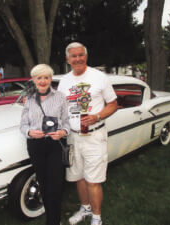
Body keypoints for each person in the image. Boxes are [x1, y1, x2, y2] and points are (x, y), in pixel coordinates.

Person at [57, 42, 117, 225]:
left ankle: (97, 218)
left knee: (93, 179)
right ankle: (85, 208)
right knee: (79, 177)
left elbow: (113, 104)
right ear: (68, 59)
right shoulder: (64, 80)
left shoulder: (99, 77)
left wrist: (97, 116)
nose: (78, 59)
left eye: (80, 55)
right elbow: (60, 107)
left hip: (94, 135)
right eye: (73, 56)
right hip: (73, 136)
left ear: (86, 56)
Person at [20, 64, 70, 225]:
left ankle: (53, 221)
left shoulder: (61, 97)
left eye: (46, 77)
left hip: (55, 144)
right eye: (39, 78)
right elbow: (22, 124)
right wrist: (29, 132)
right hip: (36, 146)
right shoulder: (28, 100)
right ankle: (52, 218)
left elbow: (67, 123)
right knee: (44, 184)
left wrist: (62, 132)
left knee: (55, 186)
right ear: (34, 80)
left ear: (50, 79)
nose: (43, 81)